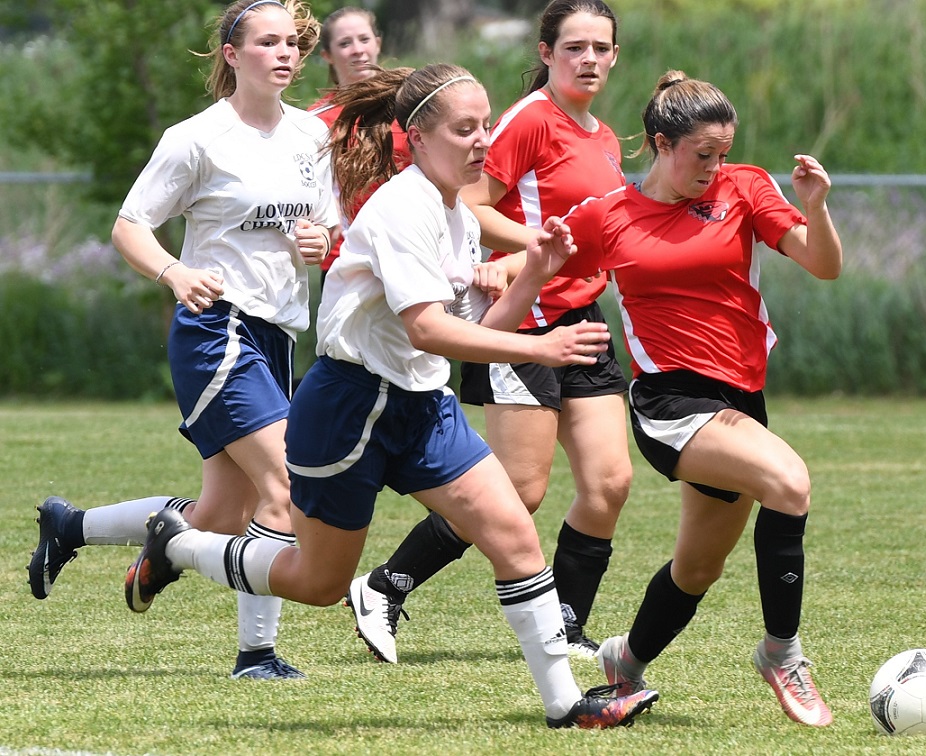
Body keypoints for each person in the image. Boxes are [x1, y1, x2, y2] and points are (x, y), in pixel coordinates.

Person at [121, 62, 659, 729]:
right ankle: (181, 543)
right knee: (317, 583)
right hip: (351, 407)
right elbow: (428, 329)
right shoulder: (401, 207)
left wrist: (533, 279)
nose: (483, 140)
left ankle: (567, 705)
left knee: (515, 534)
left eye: (486, 125)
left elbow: (471, 331)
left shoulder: (457, 210)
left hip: (423, 404)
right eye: (466, 128)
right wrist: (539, 348)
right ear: (419, 137)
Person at [27, 0, 336, 681]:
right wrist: (174, 270)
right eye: (267, 43)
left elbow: (322, 229)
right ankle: (257, 656)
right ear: (232, 54)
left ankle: (71, 526)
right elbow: (130, 225)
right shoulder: (198, 138)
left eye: (292, 43)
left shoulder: (312, 135)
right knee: (285, 483)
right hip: (215, 330)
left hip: (277, 333)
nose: (285, 54)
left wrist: (320, 241)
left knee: (222, 517)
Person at [555, 71, 843, 727]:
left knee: (698, 567)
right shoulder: (610, 215)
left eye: (722, 152)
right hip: (669, 404)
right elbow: (542, 262)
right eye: (701, 155)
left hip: (740, 398)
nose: (714, 168)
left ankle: (623, 662)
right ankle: (782, 652)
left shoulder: (745, 187)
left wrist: (818, 206)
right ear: (661, 143)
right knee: (789, 483)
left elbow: (823, 265)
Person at [347, 0, 631, 664]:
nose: (588, 59)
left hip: (582, 319)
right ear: (545, 53)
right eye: (574, 47)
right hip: (524, 320)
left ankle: (567, 625)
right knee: (520, 490)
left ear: (615, 56)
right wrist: (531, 250)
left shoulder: (607, 136)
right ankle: (386, 585)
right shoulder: (531, 120)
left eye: (601, 48)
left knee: (610, 483)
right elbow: (471, 201)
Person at [306, 6, 401, 280]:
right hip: (345, 262)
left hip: (409, 252)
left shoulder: (410, 105)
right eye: (345, 43)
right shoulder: (314, 121)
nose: (358, 50)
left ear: (378, 43)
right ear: (327, 55)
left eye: (364, 39)